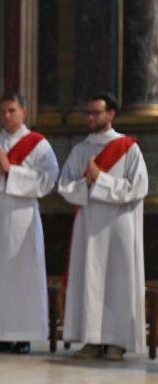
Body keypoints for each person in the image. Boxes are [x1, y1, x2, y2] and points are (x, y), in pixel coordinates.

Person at [58, 93, 148, 361]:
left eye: (96, 112)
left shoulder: (128, 148)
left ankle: (117, 342)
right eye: (88, 113)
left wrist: (100, 180)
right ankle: (92, 339)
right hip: (89, 227)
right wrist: (87, 184)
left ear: (111, 114)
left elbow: (139, 187)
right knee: (91, 281)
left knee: (117, 281)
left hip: (119, 225)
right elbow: (64, 186)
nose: (90, 117)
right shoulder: (80, 150)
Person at [0, 93, 59, 354]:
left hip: (23, 219)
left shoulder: (39, 144)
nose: (6, 116)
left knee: (22, 274)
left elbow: (49, 178)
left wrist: (11, 172)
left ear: (24, 112)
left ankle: (23, 335)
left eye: (12, 111)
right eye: (3, 112)